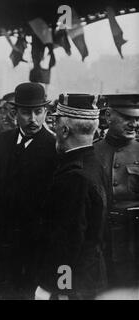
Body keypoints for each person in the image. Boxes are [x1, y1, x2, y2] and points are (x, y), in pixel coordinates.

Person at [0, 82, 57, 299]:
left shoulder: (55, 147)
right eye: (26, 112)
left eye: (38, 112)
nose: (33, 119)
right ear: (15, 113)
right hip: (2, 240)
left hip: (34, 244)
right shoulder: (4, 141)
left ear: (46, 112)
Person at [36, 94, 109, 300]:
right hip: (90, 276)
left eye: (56, 124)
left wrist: (59, 288)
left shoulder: (73, 177)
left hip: (73, 284)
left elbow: (68, 242)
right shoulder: (94, 163)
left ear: (65, 130)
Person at [93, 94, 139, 289]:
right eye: (127, 118)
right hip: (100, 242)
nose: (134, 124)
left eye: (137, 119)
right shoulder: (92, 152)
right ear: (109, 115)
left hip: (134, 244)